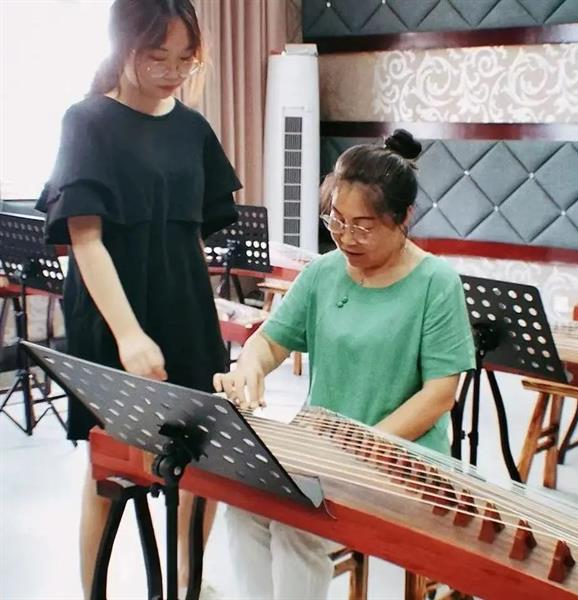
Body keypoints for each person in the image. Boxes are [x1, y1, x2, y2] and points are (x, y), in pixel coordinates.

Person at [214, 129, 476, 600]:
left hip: (399, 455)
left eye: (363, 226)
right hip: (322, 448)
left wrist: (363, 445)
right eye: (336, 220)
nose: (345, 237)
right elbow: (269, 341)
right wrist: (249, 367)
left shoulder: (436, 283)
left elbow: (439, 395)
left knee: (297, 523)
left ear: (403, 218)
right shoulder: (324, 271)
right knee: (245, 504)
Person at [35, 0, 240, 597]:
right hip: (111, 313)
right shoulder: (87, 121)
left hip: (184, 308)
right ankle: (93, 590)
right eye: (157, 57)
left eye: (185, 59)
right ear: (123, 47)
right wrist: (129, 334)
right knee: (110, 464)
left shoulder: (193, 129)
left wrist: (206, 312)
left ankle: (189, 583)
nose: (173, 72)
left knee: (203, 456)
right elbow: (85, 240)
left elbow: (192, 236)